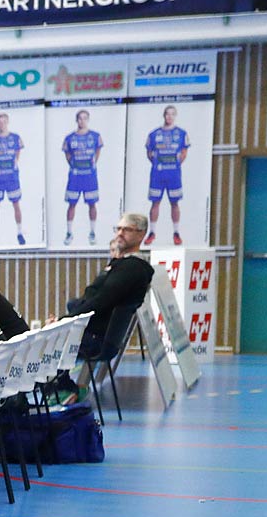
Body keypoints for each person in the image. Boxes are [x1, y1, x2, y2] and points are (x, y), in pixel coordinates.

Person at [64, 214, 155, 358]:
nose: (120, 233)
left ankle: (60, 380)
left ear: (141, 235)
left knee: (44, 344)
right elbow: (93, 295)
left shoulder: (131, 268)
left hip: (97, 341)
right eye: (118, 229)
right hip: (95, 335)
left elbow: (100, 301)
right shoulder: (121, 264)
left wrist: (63, 321)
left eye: (127, 230)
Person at [145, 104, 191, 245]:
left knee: (174, 203)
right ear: (164, 115)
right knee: (155, 202)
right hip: (157, 175)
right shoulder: (154, 134)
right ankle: (152, 232)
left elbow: (184, 153)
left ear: (175, 116)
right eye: (167, 114)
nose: (169, 116)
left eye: (172, 114)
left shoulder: (182, 134)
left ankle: (176, 233)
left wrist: (174, 164)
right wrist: (159, 164)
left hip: (174, 175)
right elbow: (149, 153)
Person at [61, 109, 104, 244]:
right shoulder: (69, 138)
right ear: (76, 120)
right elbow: (67, 154)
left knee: (92, 204)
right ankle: (69, 233)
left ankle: (92, 232)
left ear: (88, 119)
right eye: (80, 118)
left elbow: (97, 151)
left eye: (85, 118)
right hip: (75, 177)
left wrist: (92, 163)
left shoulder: (95, 136)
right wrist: (74, 165)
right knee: (71, 204)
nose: (82, 120)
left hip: (89, 177)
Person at [0, 112, 25, 247]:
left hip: (12, 177)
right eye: (0, 122)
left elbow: (17, 156)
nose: (2, 124)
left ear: (7, 122)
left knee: (16, 204)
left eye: (4, 121)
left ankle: (20, 233)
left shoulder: (15, 138)